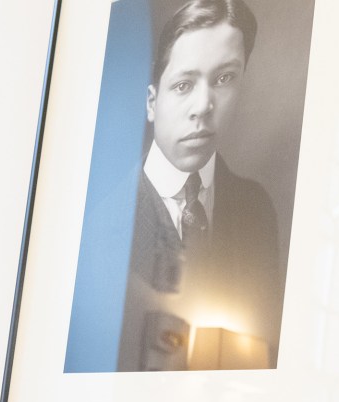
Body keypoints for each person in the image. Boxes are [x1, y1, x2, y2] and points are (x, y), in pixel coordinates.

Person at [117, 0, 283, 371]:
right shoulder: (105, 217)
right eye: (183, 85)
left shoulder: (256, 210)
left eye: (224, 78)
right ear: (151, 101)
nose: (204, 105)